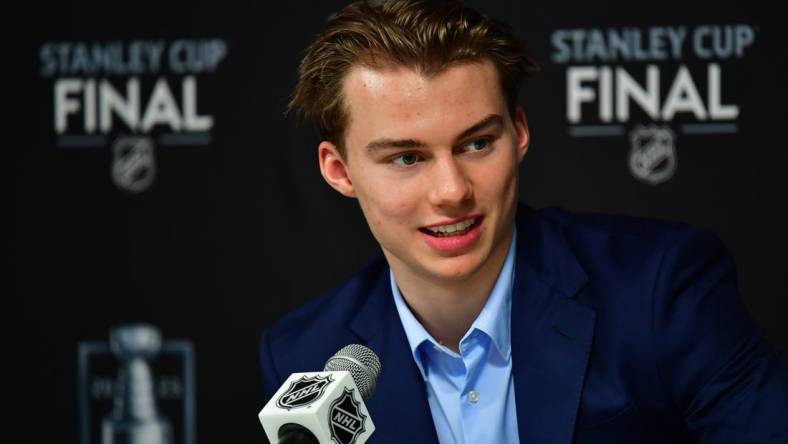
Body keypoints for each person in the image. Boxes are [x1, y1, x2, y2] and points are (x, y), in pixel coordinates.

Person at [260, 1, 788, 442]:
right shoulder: (305, 358)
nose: (452, 191)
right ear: (340, 170)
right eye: (407, 158)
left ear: (519, 133)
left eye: (477, 143)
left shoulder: (661, 288)